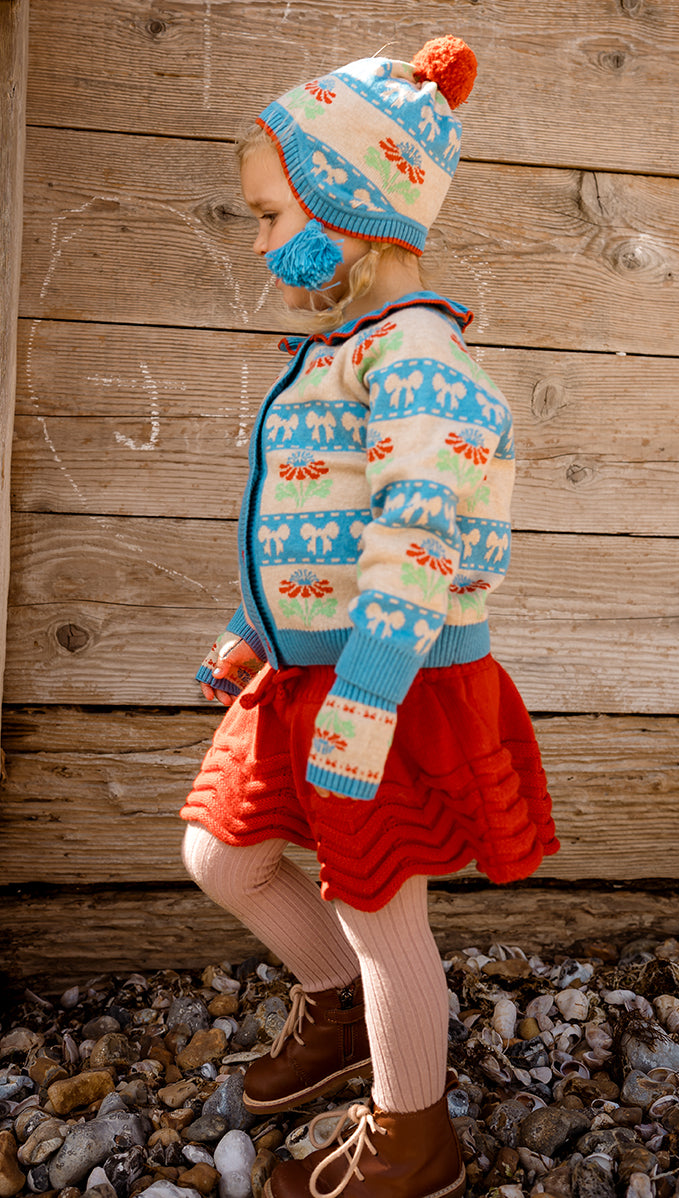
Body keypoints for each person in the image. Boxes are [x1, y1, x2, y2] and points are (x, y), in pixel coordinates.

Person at [179, 35, 559, 1198]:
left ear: (351, 204)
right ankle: (340, 1009)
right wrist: (257, 629)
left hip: (389, 681)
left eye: (269, 215)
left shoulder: (419, 358)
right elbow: (313, 531)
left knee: (379, 907)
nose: (259, 242)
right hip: (308, 676)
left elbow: (419, 540)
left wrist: (369, 695)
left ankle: (413, 1137)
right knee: (223, 853)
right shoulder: (341, 349)